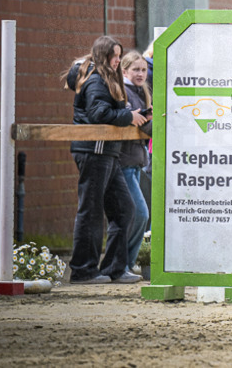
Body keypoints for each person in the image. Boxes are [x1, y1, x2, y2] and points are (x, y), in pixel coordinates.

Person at [62, 36, 146, 284]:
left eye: (120, 56)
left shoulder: (105, 77)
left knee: (124, 209)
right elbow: (98, 113)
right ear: (102, 55)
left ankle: (114, 268)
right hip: (94, 150)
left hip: (108, 152)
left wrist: (132, 115)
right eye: (114, 56)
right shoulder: (96, 79)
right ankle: (83, 270)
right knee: (91, 211)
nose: (118, 61)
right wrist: (127, 116)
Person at [120, 50, 152, 273]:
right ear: (124, 71)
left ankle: (125, 265)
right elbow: (142, 123)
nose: (141, 73)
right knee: (139, 214)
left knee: (137, 215)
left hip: (135, 163)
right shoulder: (124, 93)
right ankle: (123, 264)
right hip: (123, 163)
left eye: (143, 70)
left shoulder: (142, 92)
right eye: (136, 70)